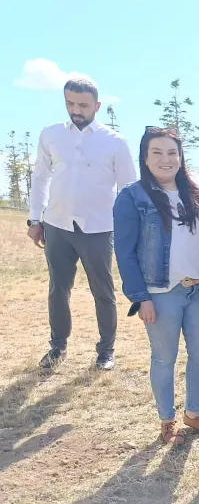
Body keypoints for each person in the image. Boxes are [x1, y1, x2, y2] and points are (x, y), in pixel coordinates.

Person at [113, 128, 199, 445]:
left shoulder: (193, 194)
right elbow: (125, 252)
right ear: (145, 158)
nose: (166, 159)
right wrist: (140, 297)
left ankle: (193, 413)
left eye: (172, 152)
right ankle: (167, 421)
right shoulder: (132, 197)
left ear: (181, 158)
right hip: (161, 293)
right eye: (157, 152)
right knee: (164, 358)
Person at [27, 77, 136, 372]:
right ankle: (57, 346)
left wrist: (128, 230)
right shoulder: (51, 134)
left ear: (97, 106)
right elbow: (41, 177)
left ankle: (106, 351)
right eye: (70, 103)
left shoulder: (115, 142)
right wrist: (35, 219)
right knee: (58, 289)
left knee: (103, 291)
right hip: (56, 224)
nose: (76, 110)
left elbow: (128, 189)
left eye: (83, 105)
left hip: (98, 228)